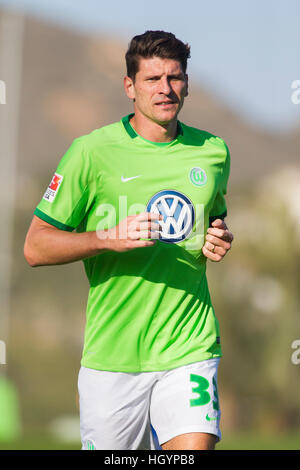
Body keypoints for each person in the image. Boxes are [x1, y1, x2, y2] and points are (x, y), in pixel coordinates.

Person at [24, 30, 233, 451]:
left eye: (174, 78)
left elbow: (215, 218)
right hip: (113, 359)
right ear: (129, 86)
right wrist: (106, 239)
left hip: (188, 345)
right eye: (152, 79)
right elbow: (36, 247)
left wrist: (220, 237)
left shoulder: (213, 152)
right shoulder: (90, 152)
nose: (165, 89)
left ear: (187, 84)